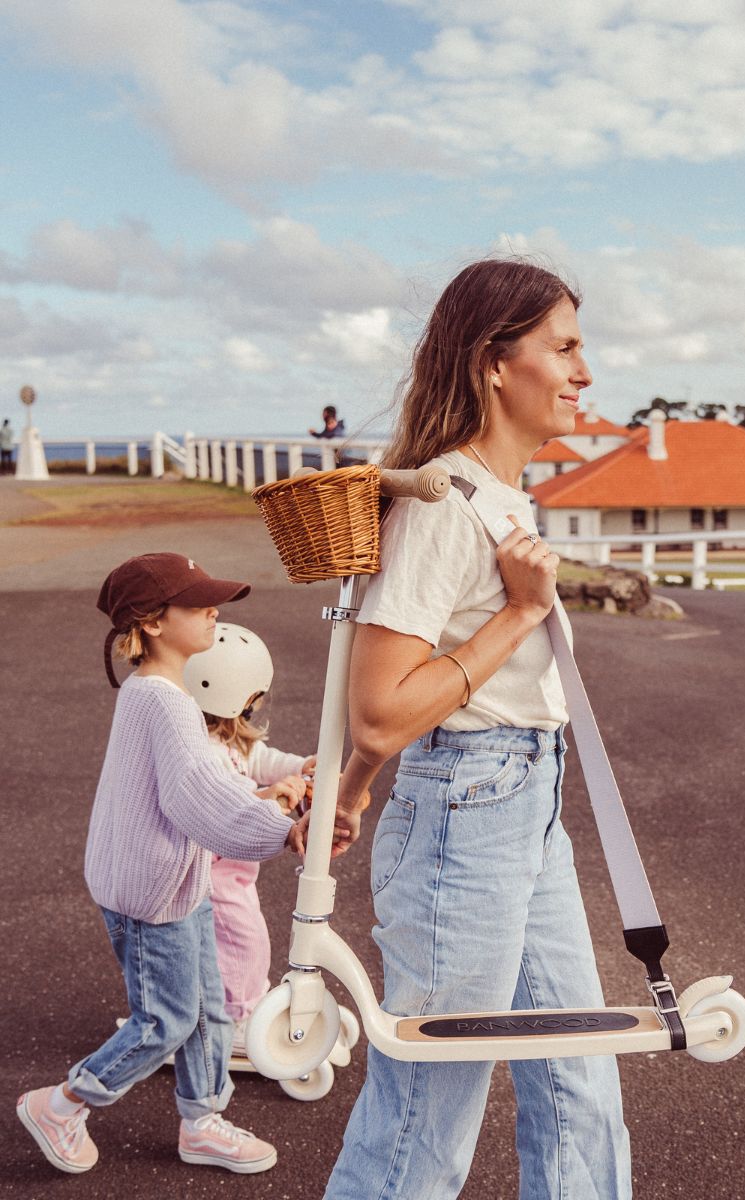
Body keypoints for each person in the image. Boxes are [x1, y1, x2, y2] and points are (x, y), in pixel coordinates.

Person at [320, 259, 632, 1199]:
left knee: (581, 1083)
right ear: (497, 364)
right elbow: (377, 707)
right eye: (565, 348)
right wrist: (520, 615)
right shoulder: (445, 504)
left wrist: (354, 788)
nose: (584, 373)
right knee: (427, 1114)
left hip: (521, 800)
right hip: (471, 814)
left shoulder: (497, 497)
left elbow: (399, 717)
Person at [16, 553, 306, 1177]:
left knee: (207, 1006)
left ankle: (202, 1120)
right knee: (165, 1020)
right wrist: (281, 829)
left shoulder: (157, 693)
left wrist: (267, 800)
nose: (213, 610)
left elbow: (197, 785)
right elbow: (196, 793)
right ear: (150, 622)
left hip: (175, 880)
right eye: (196, 602)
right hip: (149, 893)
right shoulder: (163, 702)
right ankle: (63, 1104)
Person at [182, 622, 315, 1051]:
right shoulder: (199, 752)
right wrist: (270, 795)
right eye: (252, 698)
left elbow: (261, 758)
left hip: (235, 873)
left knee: (243, 942)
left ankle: (239, 1004)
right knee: (244, 941)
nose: (254, 706)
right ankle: (240, 1021)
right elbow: (227, 798)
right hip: (213, 879)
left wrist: (299, 767)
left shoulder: (226, 736)